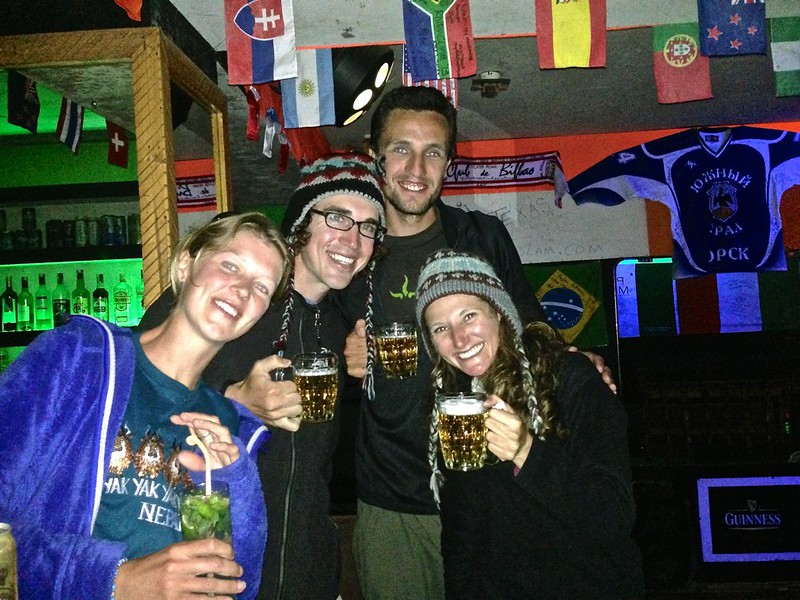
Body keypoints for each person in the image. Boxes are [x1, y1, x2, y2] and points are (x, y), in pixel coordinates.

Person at [337, 85, 615, 599]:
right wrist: (343, 360)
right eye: (401, 148)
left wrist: (578, 361)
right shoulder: (351, 253)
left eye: (433, 152)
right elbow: (312, 343)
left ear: (449, 163)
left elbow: (531, 330)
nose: (416, 167)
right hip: (394, 500)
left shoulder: (482, 237)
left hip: (494, 484)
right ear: (374, 156)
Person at [0, 212, 292, 599]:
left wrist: (234, 482)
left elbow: (239, 584)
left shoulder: (233, 431)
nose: (241, 289)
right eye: (230, 265)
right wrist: (113, 581)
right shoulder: (77, 359)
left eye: (261, 287)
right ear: (186, 264)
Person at [139, 152, 387, 600]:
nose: (353, 239)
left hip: (305, 568)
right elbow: (135, 391)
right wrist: (236, 402)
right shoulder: (229, 296)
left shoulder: (337, 322)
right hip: (214, 566)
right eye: (338, 218)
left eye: (369, 227)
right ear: (300, 224)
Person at [416, 249, 644, 599]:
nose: (459, 340)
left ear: (500, 313)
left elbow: (613, 516)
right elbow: (462, 539)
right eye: (441, 328)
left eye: (469, 316)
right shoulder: (453, 409)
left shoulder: (571, 378)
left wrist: (527, 452)